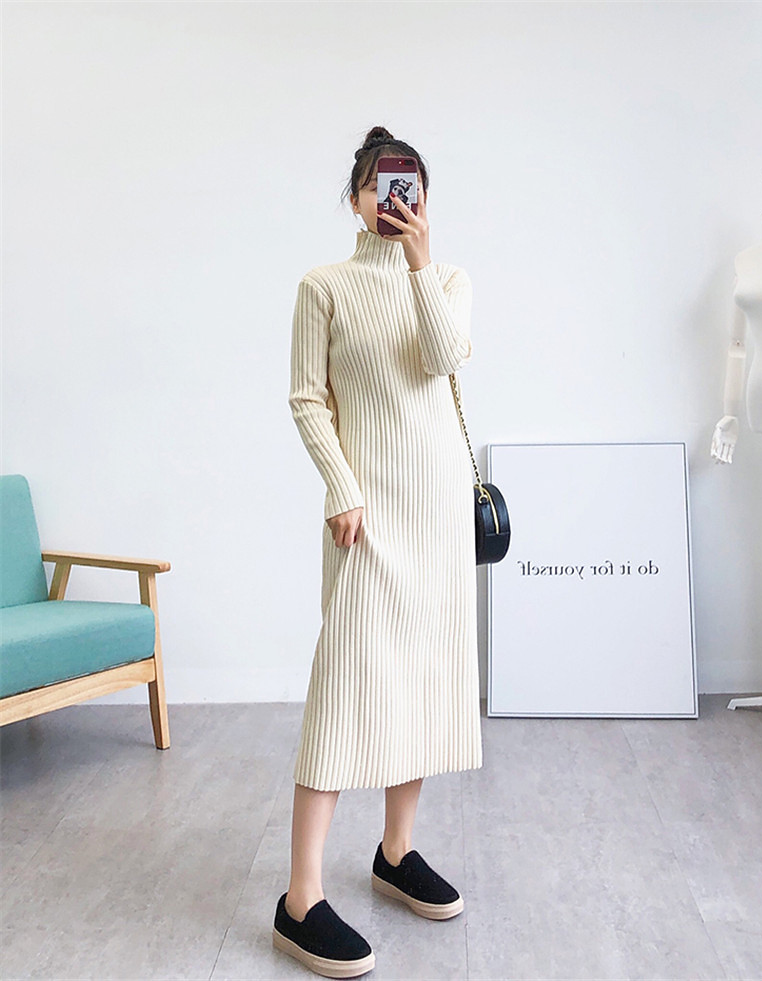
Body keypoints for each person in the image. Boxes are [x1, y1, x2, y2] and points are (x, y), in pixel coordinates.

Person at [272, 126, 483, 978]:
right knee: (343, 688)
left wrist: (421, 262)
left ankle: (396, 851)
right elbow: (306, 398)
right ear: (356, 198)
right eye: (381, 184)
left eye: (410, 185)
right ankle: (299, 898)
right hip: (367, 516)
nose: (396, 197)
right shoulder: (322, 286)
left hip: (438, 514)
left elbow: (442, 359)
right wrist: (342, 487)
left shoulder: (449, 279)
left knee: (423, 679)